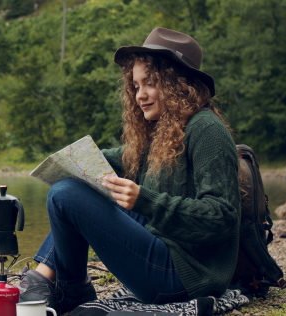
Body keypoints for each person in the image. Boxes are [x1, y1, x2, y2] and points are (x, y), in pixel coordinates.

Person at [18, 27, 241, 314]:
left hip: (184, 275)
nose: (140, 95)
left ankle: (63, 288)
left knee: (65, 194)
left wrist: (145, 200)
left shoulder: (206, 129)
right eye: (135, 86)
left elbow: (223, 216)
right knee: (76, 187)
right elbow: (122, 158)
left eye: (150, 83)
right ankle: (49, 281)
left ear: (178, 83)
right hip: (163, 253)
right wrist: (77, 161)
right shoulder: (163, 133)